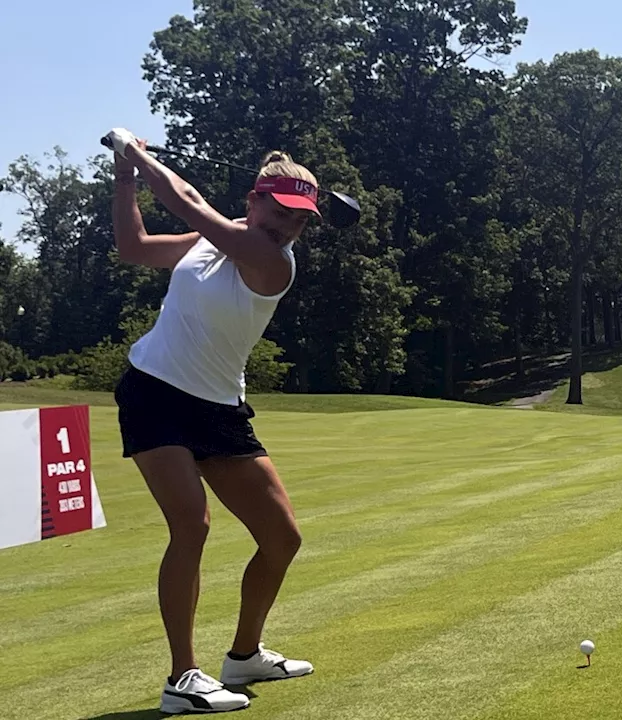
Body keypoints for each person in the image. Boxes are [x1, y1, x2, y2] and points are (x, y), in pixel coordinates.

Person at [106, 127, 317, 714]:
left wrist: (137, 156)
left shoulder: (272, 260)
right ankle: (183, 678)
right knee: (191, 526)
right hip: (154, 392)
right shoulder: (209, 244)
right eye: (282, 212)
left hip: (219, 408)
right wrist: (126, 178)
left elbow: (193, 205)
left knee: (282, 538)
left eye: (301, 220)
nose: (291, 227)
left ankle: (245, 655)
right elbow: (135, 248)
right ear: (254, 199)